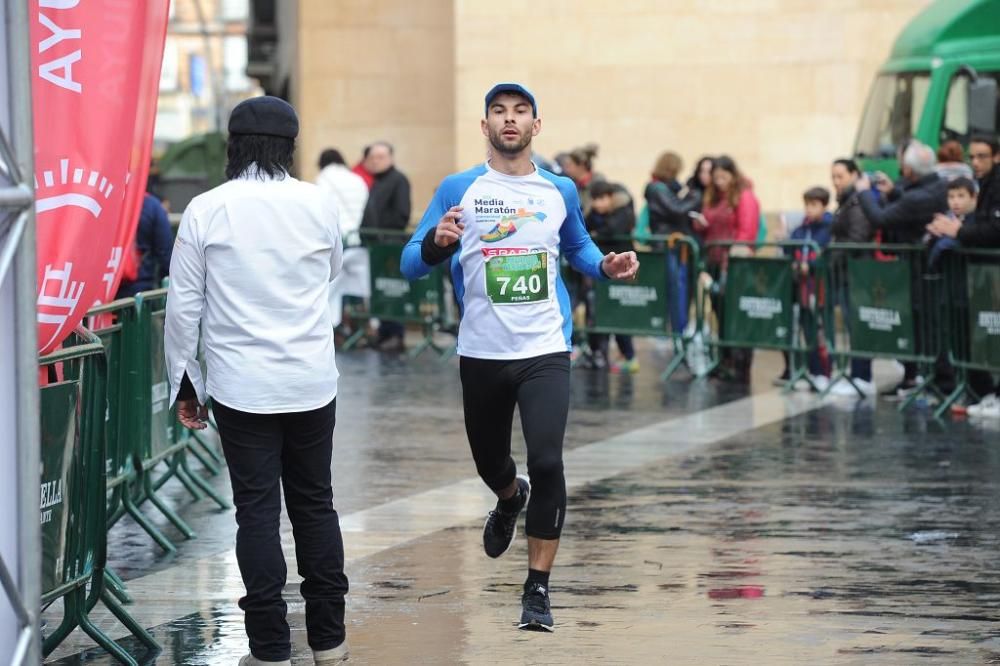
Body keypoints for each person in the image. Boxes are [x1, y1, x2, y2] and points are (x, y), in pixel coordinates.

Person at [400, 83, 639, 631]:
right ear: (485, 127)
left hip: (544, 348)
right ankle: (510, 498)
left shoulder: (560, 190)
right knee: (491, 463)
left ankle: (537, 589)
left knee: (549, 459)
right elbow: (411, 263)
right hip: (482, 350)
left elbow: (577, 246)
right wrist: (437, 242)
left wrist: (605, 265)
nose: (510, 120)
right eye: (499, 113)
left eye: (520, 111)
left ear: (537, 124)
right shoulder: (458, 188)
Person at [164, 96, 349, 666]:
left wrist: (185, 383)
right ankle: (330, 643)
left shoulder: (206, 209)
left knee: (256, 513)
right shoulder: (318, 204)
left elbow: (182, 308)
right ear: (290, 146)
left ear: (233, 144)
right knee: (316, 506)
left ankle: (270, 649)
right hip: (311, 380)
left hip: (242, 386)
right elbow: (331, 273)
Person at [857, 140, 948, 398]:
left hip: (922, 271)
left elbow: (880, 218)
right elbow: (910, 200)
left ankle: (938, 380)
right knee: (924, 327)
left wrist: (865, 192)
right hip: (925, 268)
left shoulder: (920, 196)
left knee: (927, 328)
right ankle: (924, 377)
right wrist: (893, 191)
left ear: (909, 169)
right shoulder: (936, 185)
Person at [694, 155, 761, 383]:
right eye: (716, 178)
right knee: (720, 313)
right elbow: (708, 223)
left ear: (733, 175)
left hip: (734, 264)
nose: (720, 181)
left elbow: (746, 231)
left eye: (724, 177)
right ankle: (725, 360)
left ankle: (740, 364)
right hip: (714, 260)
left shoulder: (744, 196)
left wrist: (733, 261)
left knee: (736, 315)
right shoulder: (714, 197)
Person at [827, 158, 877, 397]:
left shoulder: (856, 203)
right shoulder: (847, 202)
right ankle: (857, 374)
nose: (836, 182)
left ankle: (862, 377)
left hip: (856, 273)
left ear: (854, 175)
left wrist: (830, 256)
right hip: (847, 272)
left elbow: (856, 238)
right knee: (851, 325)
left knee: (857, 326)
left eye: (841, 176)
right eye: (833, 177)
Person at [778, 187, 833, 389]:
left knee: (820, 331)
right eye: (807, 205)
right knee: (806, 329)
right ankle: (811, 370)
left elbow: (826, 253)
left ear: (824, 205)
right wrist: (783, 238)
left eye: (814, 205)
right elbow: (789, 246)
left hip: (818, 287)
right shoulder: (802, 228)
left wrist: (810, 265)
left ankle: (824, 372)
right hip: (802, 287)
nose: (809, 210)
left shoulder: (829, 228)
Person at [360, 141, 412, 349]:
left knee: (393, 290)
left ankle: (395, 334)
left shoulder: (398, 180)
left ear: (390, 158)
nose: (375, 161)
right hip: (376, 246)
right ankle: (384, 331)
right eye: (372, 157)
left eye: (380, 157)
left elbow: (401, 214)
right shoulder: (378, 181)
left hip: (389, 245)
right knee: (380, 290)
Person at [644, 152, 701, 336]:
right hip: (667, 245)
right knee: (674, 290)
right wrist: (694, 197)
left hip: (675, 246)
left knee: (680, 290)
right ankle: (676, 332)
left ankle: (679, 330)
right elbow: (676, 209)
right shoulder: (656, 188)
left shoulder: (664, 188)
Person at [586, 180, 638, 373]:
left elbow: (613, 231)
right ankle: (600, 354)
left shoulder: (623, 211)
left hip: (619, 272)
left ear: (610, 197)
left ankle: (629, 355)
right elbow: (586, 228)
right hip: (601, 270)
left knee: (619, 314)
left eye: (601, 199)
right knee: (598, 313)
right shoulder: (595, 215)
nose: (598, 204)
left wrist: (598, 231)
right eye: (594, 200)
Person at [317, 148, 370, 332]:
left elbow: (323, 210)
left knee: (332, 289)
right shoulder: (357, 179)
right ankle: (361, 328)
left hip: (340, 240)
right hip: (360, 240)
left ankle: (334, 327)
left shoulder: (324, 179)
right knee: (359, 288)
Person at [115, 192, 174, 298]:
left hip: (101, 292)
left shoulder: (103, 201)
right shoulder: (151, 205)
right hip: (140, 291)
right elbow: (166, 253)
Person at [559, 143, 602, 216]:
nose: (565, 169)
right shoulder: (572, 183)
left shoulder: (598, 183)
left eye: (569, 165)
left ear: (581, 166)